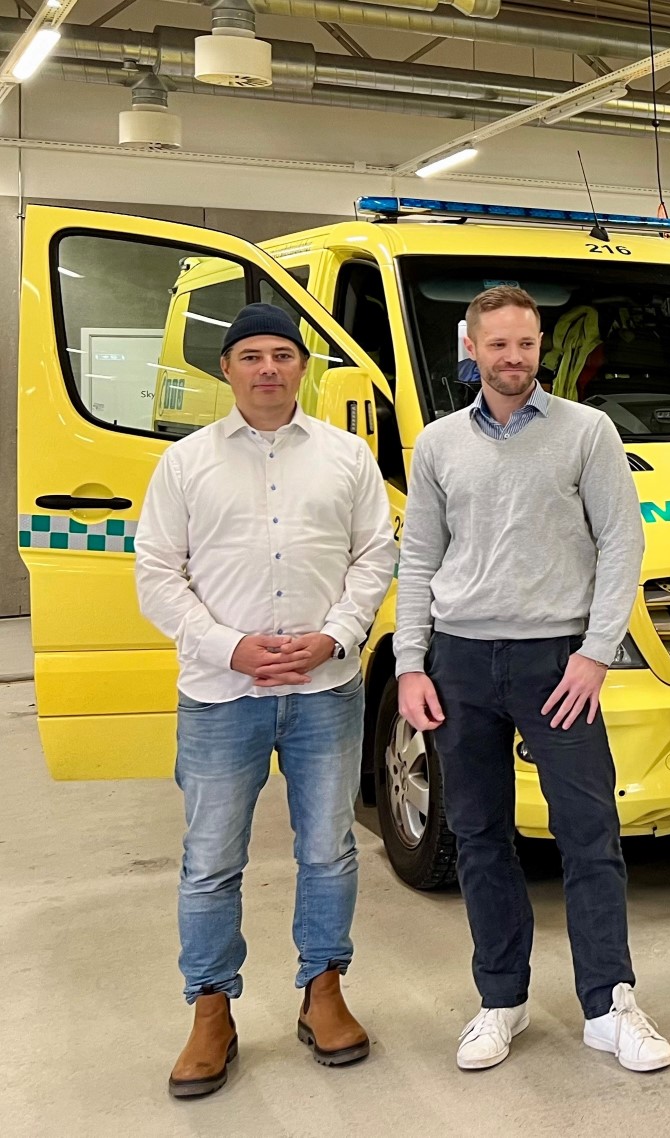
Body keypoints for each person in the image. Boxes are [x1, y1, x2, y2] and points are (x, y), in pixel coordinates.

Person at [394, 285, 670, 1075]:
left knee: (589, 834)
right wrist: (411, 663)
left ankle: (609, 1005)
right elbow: (418, 557)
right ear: (471, 349)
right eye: (498, 345)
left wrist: (593, 653)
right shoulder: (439, 443)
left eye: (526, 344)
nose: (514, 358)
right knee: (480, 835)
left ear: (540, 346)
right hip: (460, 660)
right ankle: (500, 999)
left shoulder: (587, 432)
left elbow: (621, 543)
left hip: (556, 664)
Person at [135, 303, 396, 1098]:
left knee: (329, 850)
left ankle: (323, 993)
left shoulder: (348, 457)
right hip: (221, 694)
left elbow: (375, 554)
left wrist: (337, 636)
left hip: (325, 689)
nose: (268, 369)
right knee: (211, 861)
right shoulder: (185, 463)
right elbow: (156, 572)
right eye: (251, 356)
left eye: (283, 354)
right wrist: (230, 647)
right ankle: (210, 1009)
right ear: (226, 370)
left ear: (303, 367)